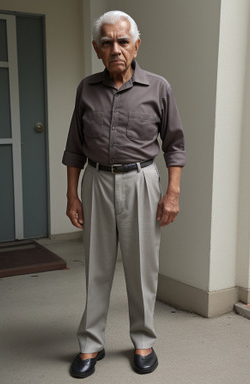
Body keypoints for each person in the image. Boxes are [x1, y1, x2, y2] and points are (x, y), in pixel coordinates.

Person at [62, 10, 185, 378]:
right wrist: (72, 195)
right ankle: (90, 344)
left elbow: (174, 145)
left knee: (142, 268)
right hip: (97, 182)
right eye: (107, 43)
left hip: (142, 182)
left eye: (123, 41)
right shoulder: (86, 88)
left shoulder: (159, 87)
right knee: (97, 267)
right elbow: (74, 148)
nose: (116, 49)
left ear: (136, 45)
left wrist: (172, 193)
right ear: (98, 50)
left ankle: (143, 340)